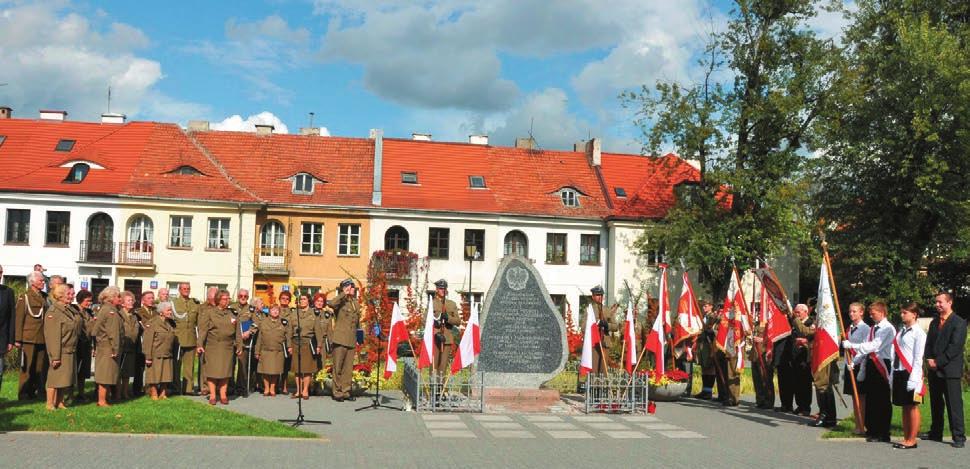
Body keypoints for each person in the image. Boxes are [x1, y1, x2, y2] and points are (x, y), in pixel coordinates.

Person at [843, 301, 896, 443]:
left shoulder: (887, 328)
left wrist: (852, 345)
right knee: (872, 399)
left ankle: (883, 431)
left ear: (882, 312)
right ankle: (872, 430)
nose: (871, 315)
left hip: (882, 364)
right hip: (871, 364)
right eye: (871, 312)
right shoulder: (873, 328)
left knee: (882, 400)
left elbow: (874, 346)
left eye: (874, 312)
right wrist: (855, 362)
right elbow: (864, 349)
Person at [922, 291, 967, 448]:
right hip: (934, 370)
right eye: (936, 302)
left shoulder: (959, 322)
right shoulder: (934, 322)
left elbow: (954, 347)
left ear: (950, 303)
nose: (937, 305)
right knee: (936, 403)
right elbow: (928, 343)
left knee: (954, 404)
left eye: (940, 302)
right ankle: (936, 432)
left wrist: (938, 362)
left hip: (950, 370)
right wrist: (928, 359)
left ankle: (959, 436)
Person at [789, 305, 840, 427]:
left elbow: (805, 331)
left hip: (824, 358)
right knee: (821, 387)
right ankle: (826, 415)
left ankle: (827, 416)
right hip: (818, 357)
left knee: (822, 386)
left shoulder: (827, 326)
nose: (817, 316)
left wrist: (794, 318)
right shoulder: (821, 326)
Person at [891, 302, 927, 449]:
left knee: (912, 406)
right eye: (901, 312)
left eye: (905, 312)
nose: (902, 315)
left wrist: (914, 377)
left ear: (914, 314)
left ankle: (912, 439)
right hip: (900, 371)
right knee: (904, 406)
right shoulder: (901, 331)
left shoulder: (919, 333)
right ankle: (906, 437)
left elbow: (919, 357)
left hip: (911, 372)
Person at [197, 290, 242, 405]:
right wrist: (200, 345)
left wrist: (239, 345)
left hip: (227, 347)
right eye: (224, 299)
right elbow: (203, 330)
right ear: (218, 300)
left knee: (225, 372)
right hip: (213, 346)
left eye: (228, 299)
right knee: (212, 372)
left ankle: (223, 395)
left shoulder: (232, 313)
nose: (227, 301)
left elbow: (238, 332)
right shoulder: (209, 313)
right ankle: (212, 395)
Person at [43, 284, 83, 410]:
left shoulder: (70, 309)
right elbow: (52, 337)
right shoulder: (54, 311)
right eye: (69, 294)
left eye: (72, 294)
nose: (72, 296)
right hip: (60, 350)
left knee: (64, 379)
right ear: (60, 295)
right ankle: (49, 403)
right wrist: (55, 356)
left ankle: (60, 402)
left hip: (70, 349)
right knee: (54, 378)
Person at [15, 271, 49, 400]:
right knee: (27, 367)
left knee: (39, 367)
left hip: (42, 337)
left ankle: (33, 391)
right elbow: (19, 319)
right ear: (33, 282)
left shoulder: (44, 297)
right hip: (28, 338)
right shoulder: (25, 297)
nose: (43, 282)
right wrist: (17, 339)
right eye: (41, 280)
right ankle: (23, 393)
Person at [327, 279, 360, 402]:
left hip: (351, 339)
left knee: (348, 368)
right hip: (340, 339)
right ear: (344, 288)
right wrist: (343, 294)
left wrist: (359, 337)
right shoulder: (340, 301)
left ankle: (346, 391)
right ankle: (337, 392)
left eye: (352, 287)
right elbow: (331, 304)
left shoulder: (355, 302)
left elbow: (357, 322)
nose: (352, 289)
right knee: (338, 367)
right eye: (350, 287)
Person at [93, 287, 124, 407]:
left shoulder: (105, 309)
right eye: (118, 296)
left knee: (107, 374)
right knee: (105, 375)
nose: (119, 299)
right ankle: (102, 400)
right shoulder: (110, 311)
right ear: (111, 298)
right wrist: (115, 348)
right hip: (108, 347)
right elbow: (113, 332)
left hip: (104, 345)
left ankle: (105, 398)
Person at [289, 294, 324, 399]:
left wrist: (319, 345)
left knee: (307, 368)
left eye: (304, 299)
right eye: (300, 299)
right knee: (297, 369)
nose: (302, 301)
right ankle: (298, 391)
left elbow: (318, 330)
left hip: (308, 342)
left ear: (308, 301)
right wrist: (288, 345)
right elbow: (289, 330)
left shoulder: (313, 314)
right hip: (295, 342)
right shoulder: (294, 313)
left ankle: (305, 391)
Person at [844, 302, 871, 435]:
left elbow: (865, 347)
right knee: (854, 397)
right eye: (850, 311)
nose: (851, 314)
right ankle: (857, 424)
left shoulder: (865, 328)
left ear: (861, 312)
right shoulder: (850, 328)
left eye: (854, 311)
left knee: (860, 396)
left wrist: (856, 362)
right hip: (850, 364)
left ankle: (862, 425)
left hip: (860, 364)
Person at [143, 301, 178, 400]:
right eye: (168, 310)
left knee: (166, 375)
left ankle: (163, 393)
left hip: (167, 353)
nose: (170, 312)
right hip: (155, 354)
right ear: (161, 312)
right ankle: (154, 393)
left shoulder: (169, 323)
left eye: (171, 310)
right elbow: (147, 341)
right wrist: (148, 357)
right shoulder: (152, 323)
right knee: (154, 375)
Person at [172, 282, 200, 395]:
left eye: (188, 288)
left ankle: (188, 389)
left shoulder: (195, 303)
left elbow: (198, 323)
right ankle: (176, 388)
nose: (186, 290)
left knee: (189, 366)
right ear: (179, 290)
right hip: (178, 338)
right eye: (184, 288)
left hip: (191, 338)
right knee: (176, 365)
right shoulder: (173, 303)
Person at [255, 305, 288, 397]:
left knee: (275, 371)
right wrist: (257, 351)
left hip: (278, 351)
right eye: (273, 310)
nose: (275, 312)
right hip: (265, 350)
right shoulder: (263, 322)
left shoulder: (283, 322)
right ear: (269, 312)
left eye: (277, 310)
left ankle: (272, 388)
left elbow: (287, 336)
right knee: (265, 371)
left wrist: (289, 347)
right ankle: (266, 388)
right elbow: (259, 338)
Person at [430, 279, 460, 377]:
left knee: (443, 366)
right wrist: (435, 322)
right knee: (434, 365)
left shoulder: (451, 304)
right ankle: (433, 389)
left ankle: (440, 390)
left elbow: (458, 321)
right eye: (440, 288)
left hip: (446, 339)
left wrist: (448, 318)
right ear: (437, 290)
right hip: (435, 338)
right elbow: (424, 320)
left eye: (444, 288)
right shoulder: (432, 303)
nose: (442, 290)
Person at [232, 289, 258, 397]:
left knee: (242, 366)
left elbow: (256, 323)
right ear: (238, 296)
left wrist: (250, 331)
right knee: (230, 365)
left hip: (244, 342)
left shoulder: (251, 309)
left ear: (247, 298)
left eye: (245, 296)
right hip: (231, 340)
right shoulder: (231, 307)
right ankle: (229, 387)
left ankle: (241, 388)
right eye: (241, 296)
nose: (243, 298)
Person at [790, 304, 814, 416]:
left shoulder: (810, 323)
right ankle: (799, 405)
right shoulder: (795, 323)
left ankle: (806, 407)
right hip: (796, 357)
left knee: (805, 383)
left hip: (805, 357)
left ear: (805, 312)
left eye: (798, 312)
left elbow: (811, 337)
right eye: (795, 312)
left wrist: (804, 341)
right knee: (796, 382)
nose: (796, 314)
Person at [71, 289, 95, 402]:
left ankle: (81, 393)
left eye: (90, 300)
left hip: (86, 344)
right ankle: (69, 394)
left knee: (83, 371)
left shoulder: (89, 312)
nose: (89, 303)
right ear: (80, 300)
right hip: (76, 344)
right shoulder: (73, 310)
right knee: (73, 370)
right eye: (87, 300)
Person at [589, 285, 618, 375]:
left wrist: (606, 325)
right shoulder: (589, 310)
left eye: (601, 295)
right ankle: (593, 387)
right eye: (597, 295)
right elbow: (583, 327)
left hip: (605, 342)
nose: (600, 297)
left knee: (604, 369)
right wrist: (595, 326)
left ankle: (603, 388)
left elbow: (615, 327)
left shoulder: (607, 310)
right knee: (594, 369)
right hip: (594, 344)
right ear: (593, 296)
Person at [116, 291, 139, 400]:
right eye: (129, 300)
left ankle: (125, 392)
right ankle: (117, 393)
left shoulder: (134, 316)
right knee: (119, 373)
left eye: (132, 300)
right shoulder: (119, 314)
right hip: (122, 346)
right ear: (123, 303)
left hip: (131, 347)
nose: (132, 302)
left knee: (127, 372)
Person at [693, 300, 718, 399]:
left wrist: (711, 332)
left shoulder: (714, 317)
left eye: (706, 306)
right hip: (702, 344)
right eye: (703, 306)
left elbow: (717, 329)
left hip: (710, 344)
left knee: (710, 368)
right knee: (704, 368)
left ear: (711, 306)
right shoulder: (702, 317)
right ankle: (704, 390)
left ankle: (708, 391)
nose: (703, 308)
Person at [133, 291, 156, 396]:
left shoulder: (156, 312)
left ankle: (149, 388)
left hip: (154, 342)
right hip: (142, 342)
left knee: (151, 367)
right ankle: (137, 389)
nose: (151, 300)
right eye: (149, 298)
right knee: (140, 367)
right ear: (143, 301)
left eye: (152, 298)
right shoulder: (138, 312)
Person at [197, 287, 219, 396]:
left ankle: (217, 386)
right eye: (213, 296)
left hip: (215, 339)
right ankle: (205, 386)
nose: (214, 298)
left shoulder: (220, 307)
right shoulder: (201, 308)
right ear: (208, 296)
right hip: (204, 338)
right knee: (204, 364)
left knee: (216, 363)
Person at [0, 265, 15, 392]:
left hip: (1, 339)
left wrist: (11, 340)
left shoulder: (8, 292)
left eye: (0, 272)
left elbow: (12, 317)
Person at [277, 290, 295, 395]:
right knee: (275, 364)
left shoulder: (292, 312)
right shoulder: (274, 309)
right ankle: (274, 386)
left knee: (285, 365)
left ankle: (284, 386)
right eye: (283, 298)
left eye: (287, 299)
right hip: (276, 340)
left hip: (288, 341)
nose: (285, 300)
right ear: (279, 299)